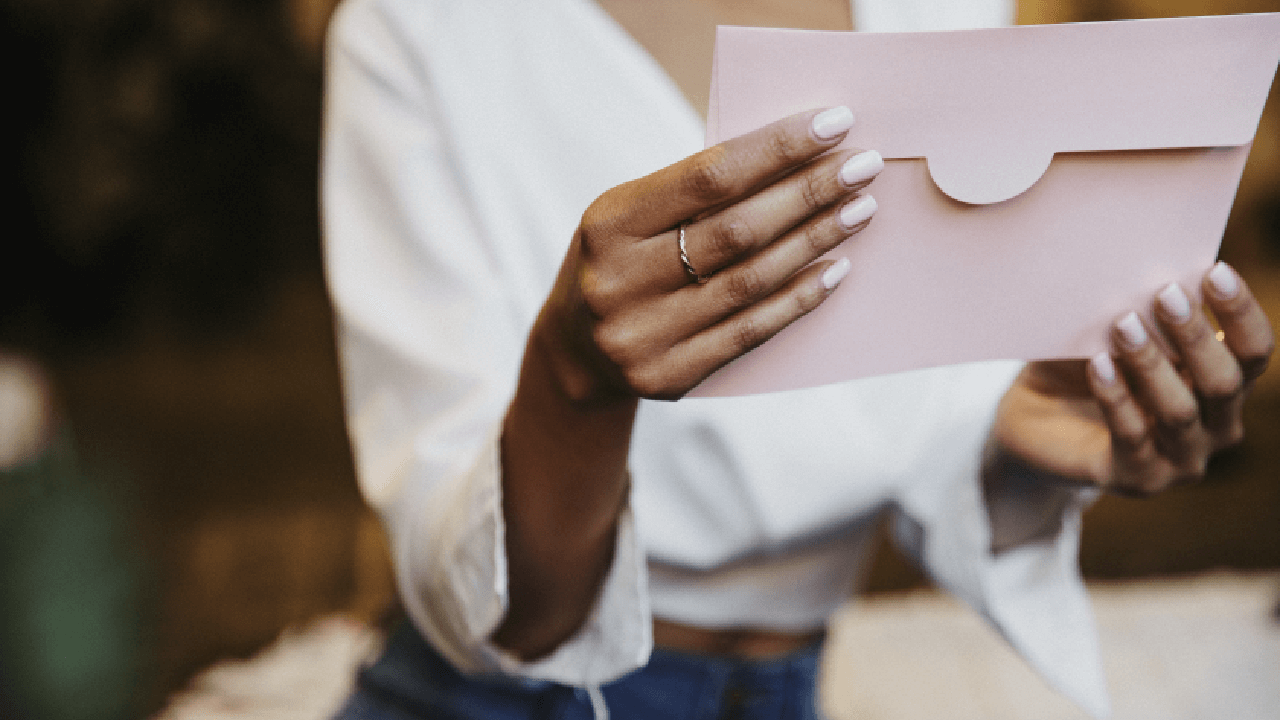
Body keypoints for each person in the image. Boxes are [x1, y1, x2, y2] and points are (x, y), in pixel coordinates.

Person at [320, 1, 1275, 718]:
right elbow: (499, 615)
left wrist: (1013, 437)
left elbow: (917, 400)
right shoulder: (415, 28)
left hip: (794, 685)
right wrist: (574, 381)